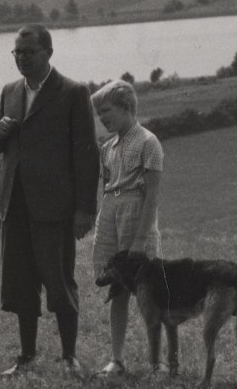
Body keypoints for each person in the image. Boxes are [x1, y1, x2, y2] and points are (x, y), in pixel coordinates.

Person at [0, 24, 100, 378]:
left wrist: (85, 209)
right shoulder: (9, 91)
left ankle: (69, 356)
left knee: (59, 280)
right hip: (15, 204)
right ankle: (26, 356)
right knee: (20, 282)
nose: (21, 58)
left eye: (29, 52)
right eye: (17, 52)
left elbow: (87, 155)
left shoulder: (73, 92)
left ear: (48, 53)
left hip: (55, 207)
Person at [90, 79, 164, 378]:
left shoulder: (148, 142)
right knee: (115, 288)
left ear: (126, 107)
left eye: (106, 111)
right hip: (110, 211)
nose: (102, 118)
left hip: (136, 211)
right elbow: (106, 185)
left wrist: (140, 239)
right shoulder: (107, 147)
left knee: (149, 293)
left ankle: (157, 363)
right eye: (99, 113)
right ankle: (117, 360)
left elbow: (152, 195)